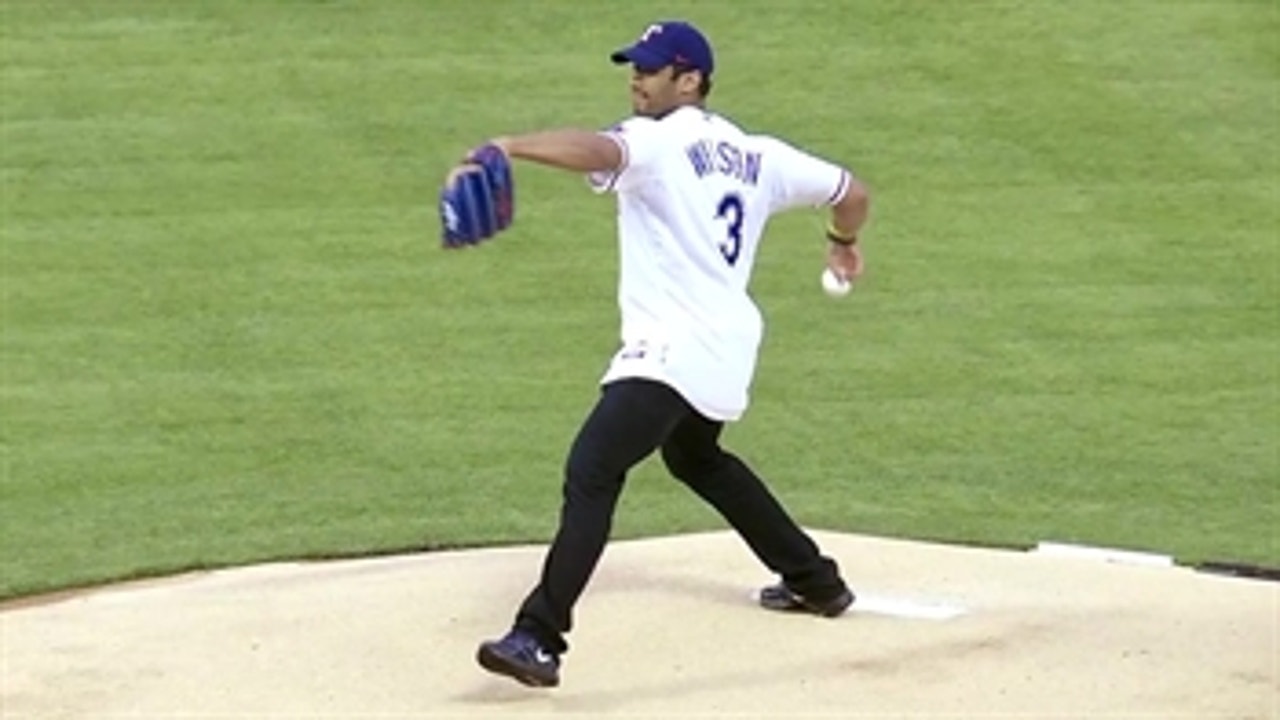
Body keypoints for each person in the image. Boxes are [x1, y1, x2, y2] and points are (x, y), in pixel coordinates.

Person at [469, 19, 870, 688]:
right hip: (728, 347)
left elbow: (596, 150)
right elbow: (852, 194)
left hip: (669, 353)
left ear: (690, 81)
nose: (636, 78)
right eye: (635, 66)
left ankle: (539, 636)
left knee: (593, 469)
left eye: (651, 70)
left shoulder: (654, 143)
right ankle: (814, 580)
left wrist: (508, 146)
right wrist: (841, 242)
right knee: (695, 457)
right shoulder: (759, 155)